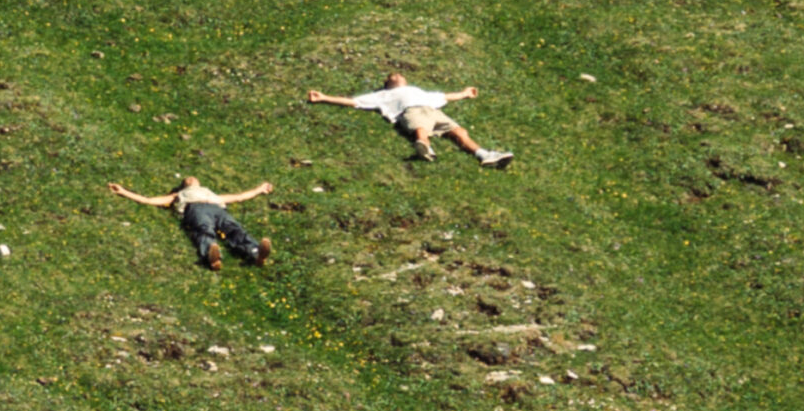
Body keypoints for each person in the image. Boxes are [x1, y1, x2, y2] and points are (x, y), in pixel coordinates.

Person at [306, 73, 514, 167]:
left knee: (460, 132)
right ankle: (424, 147)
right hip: (410, 110)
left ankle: (484, 154)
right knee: (420, 127)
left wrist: (464, 93)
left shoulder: (418, 90)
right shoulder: (383, 95)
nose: (396, 76)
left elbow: (443, 97)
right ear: (388, 85)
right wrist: (325, 98)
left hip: (432, 110)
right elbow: (354, 101)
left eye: (398, 75)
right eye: (392, 77)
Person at [106, 177, 274, 270]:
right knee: (204, 229)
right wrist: (123, 191)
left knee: (234, 228)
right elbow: (148, 200)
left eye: (193, 178)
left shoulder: (213, 195)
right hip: (195, 209)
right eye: (187, 180)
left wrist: (260, 189)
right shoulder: (179, 195)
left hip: (217, 208)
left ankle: (256, 252)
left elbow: (239, 196)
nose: (191, 178)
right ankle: (211, 256)